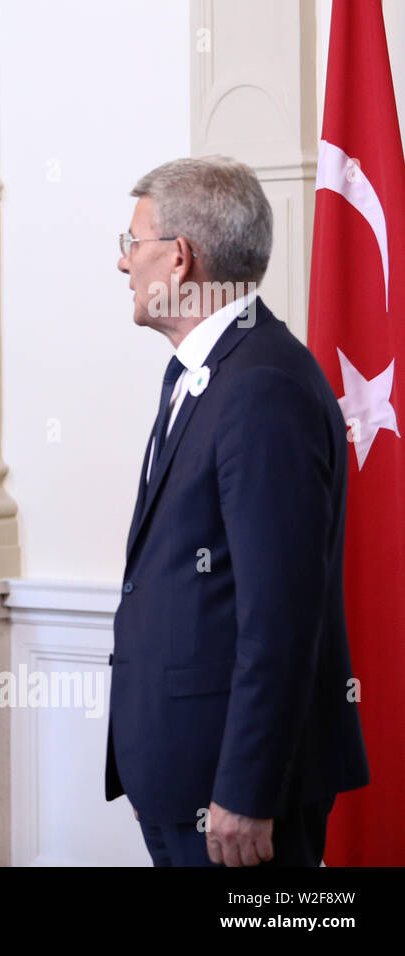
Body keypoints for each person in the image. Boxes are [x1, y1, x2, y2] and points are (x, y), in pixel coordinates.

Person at [108, 156, 370, 866]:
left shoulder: (261, 386)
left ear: (182, 258)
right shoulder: (209, 374)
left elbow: (281, 613)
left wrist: (247, 789)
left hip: (233, 790)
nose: (122, 265)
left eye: (132, 244)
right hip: (180, 767)